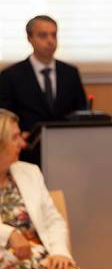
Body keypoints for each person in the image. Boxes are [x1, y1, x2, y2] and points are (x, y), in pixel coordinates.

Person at [0, 109, 105, 269]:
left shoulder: (29, 172)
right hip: (7, 267)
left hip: (43, 258)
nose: (23, 142)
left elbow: (53, 219)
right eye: (15, 137)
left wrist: (60, 252)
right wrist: (9, 234)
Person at [0, 15, 87, 165]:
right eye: (43, 35)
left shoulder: (70, 73)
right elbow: (5, 117)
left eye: (54, 34)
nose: (50, 40)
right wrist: (19, 135)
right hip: (26, 154)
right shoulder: (11, 76)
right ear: (29, 38)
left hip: (67, 152)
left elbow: (81, 110)